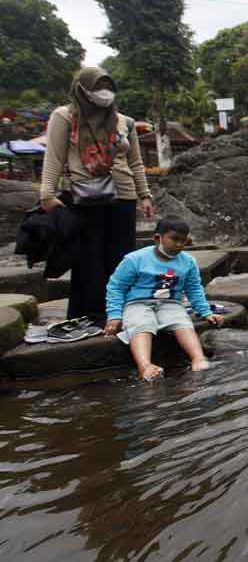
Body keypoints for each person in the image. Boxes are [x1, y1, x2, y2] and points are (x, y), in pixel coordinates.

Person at [39, 66, 154, 322]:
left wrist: (145, 194)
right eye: (98, 87)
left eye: (108, 87)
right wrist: (47, 193)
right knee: (88, 259)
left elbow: (135, 162)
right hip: (85, 196)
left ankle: (120, 313)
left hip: (123, 197)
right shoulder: (65, 116)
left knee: (121, 259)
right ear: (82, 89)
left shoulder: (124, 121)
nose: (104, 93)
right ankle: (90, 315)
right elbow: (54, 157)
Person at [104, 216, 223, 380]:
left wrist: (205, 312)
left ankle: (198, 357)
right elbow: (116, 287)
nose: (180, 245)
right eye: (175, 239)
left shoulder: (187, 262)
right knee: (140, 324)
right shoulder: (135, 259)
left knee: (181, 321)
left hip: (170, 303)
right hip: (137, 304)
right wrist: (115, 315)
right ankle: (145, 365)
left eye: (183, 241)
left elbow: (194, 288)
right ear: (157, 238)